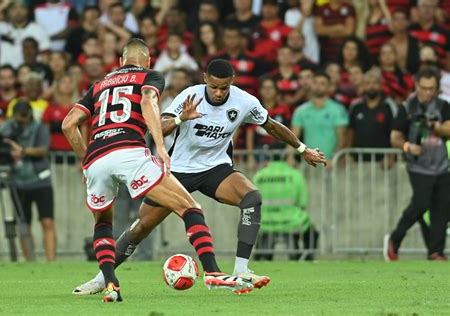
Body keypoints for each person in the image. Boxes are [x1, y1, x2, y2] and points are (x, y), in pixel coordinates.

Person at [72, 58, 326, 296]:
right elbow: (158, 126)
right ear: (205, 79)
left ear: (232, 82)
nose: (218, 92)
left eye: (224, 88)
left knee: (252, 198)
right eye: (214, 87)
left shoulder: (244, 101)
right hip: (179, 170)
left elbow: (270, 125)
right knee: (142, 227)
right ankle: (101, 278)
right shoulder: (189, 96)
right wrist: (182, 117)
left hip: (216, 168)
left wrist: (303, 149)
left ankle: (240, 271)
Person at [62, 40, 255, 302]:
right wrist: (161, 147)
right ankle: (212, 272)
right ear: (149, 60)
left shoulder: (99, 84)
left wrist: (86, 161)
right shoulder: (149, 76)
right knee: (190, 209)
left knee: (104, 223)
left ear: (121, 61)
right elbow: (148, 100)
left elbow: (69, 124)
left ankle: (109, 284)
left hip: (97, 158)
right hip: (130, 151)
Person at [384, 66, 450, 261]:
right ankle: (396, 238)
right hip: (418, 166)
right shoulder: (407, 108)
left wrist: (437, 127)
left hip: (442, 165)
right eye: (424, 88)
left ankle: (436, 251)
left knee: (442, 208)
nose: (428, 92)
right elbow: (394, 138)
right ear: (416, 85)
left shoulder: (443, 106)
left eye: (431, 88)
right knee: (420, 204)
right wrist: (407, 147)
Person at [0, 101, 56, 262]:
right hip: (18, 181)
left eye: (24, 116)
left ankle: (51, 261)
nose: (22, 120)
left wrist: (23, 150)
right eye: (19, 117)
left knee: (47, 221)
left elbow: (43, 149)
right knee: (23, 224)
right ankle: (30, 261)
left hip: (40, 181)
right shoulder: (5, 127)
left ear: (29, 114)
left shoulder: (39, 127)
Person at [253, 146, 319, 261]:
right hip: (292, 221)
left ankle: (261, 257)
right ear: (286, 156)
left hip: (265, 221)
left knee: (261, 238)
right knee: (313, 232)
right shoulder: (295, 174)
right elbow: (302, 203)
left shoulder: (259, 176)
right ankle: (308, 258)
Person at [292, 72, 348, 165]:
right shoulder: (301, 110)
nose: (318, 86)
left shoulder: (337, 109)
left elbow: (342, 138)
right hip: (308, 163)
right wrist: (290, 156)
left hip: (331, 164)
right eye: (315, 83)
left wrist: (334, 158)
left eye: (322, 83)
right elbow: (293, 137)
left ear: (329, 87)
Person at [348, 69, 398, 165]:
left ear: (381, 85)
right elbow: (350, 132)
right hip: (358, 161)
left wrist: (391, 156)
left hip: (383, 162)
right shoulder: (355, 106)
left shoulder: (389, 106)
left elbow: (396, 132)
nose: (371, 86)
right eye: (368, 83)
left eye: (375, 83)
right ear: (363, 86)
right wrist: (347, 154)